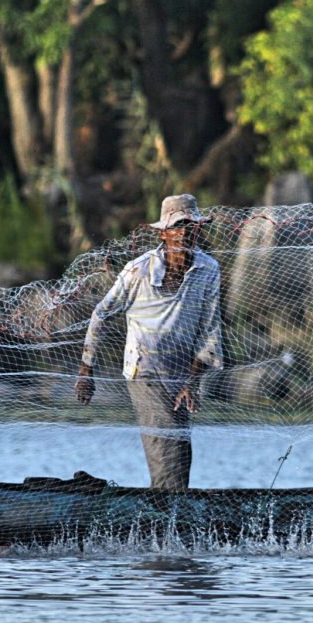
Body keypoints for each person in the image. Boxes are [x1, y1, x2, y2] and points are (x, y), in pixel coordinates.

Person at [74, 193, 223, 490]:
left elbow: (210, 332)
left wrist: (191, 381)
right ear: (164, 234)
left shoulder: (208, 270)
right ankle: (164, 521)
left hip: (181, 375)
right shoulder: (138, 270)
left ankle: (167, 519)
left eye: (192, 227)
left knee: (179, 455)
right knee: (166, 450)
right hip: (145, 373)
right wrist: (86, 371)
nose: (186, 234)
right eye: (179, 227)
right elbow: (101, 314)